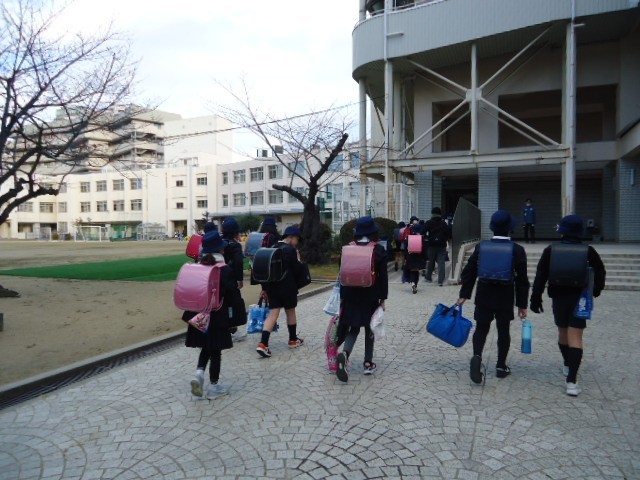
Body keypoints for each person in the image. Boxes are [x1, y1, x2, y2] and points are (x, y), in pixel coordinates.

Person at [529, 215, 606, 397]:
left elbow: (541, 275)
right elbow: (600, 271)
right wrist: (596, 290)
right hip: (580, 298)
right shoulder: (588, 250)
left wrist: (535, 298)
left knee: (563, 333)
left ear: (562, 231)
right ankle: (572, 380)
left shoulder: (551, 250)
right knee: (576, 336)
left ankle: (567, 363)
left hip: (558, 298)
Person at [458, 210, 529, 384]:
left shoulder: (481, 247)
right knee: (503, 330)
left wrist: (464, 294)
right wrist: (522, 304)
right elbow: (522, 280)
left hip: (484, 293)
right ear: (510, 228)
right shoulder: (517, 250)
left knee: (481, 328)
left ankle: (477, 357)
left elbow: (469, 271)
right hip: (505, 295)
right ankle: (501, 366)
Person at [183, 231, 243, 399]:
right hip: (217, 316)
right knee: (215, 350)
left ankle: (199, 373)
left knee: (206, 346)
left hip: (199, 315)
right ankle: (214, 386)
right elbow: (233, 295)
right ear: (221, 250)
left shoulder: (198, 267)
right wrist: (236, 316)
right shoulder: (224, 269)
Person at [336, 216, 388, 382]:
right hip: (370, 295)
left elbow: (342, 273)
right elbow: (383, 277)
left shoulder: (348, 249)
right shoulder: (378, 250)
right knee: (369, 328)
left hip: (350, 295)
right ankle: (367, 363)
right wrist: (383, 298)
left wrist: (342, 296)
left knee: (354, 328)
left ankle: (345, 354)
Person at [256, 226, 305, 357]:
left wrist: (264, 289)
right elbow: (297, 270)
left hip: (272, 287)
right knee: (290, 312)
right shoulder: (290, 250)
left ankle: (263, 344)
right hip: (288, 287)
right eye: (297, 239)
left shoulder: (272, 247)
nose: (297, 242)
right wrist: (298, 260)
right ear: (291, 237)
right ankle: (293, 340)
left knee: (273, 314)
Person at [221, 217, 246, 342]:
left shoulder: (219, 243)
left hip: (216, 279)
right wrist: (240, 279)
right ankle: (231, 330)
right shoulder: (235, 245)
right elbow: (238, 263)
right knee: (232, 304)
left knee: (221, 304)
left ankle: (222, 329)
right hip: (230, 280)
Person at [424, 207, 451, 286]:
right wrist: (445, 239)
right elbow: (449, 233)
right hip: (441, 245)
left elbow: (422, 232)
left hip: (431, 245)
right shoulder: (443, 223)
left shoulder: (428, 222)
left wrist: (427, 238)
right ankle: (440, 280)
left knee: (431, 261)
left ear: (432, 214)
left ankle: (428, 277)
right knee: (441, 262)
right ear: (440, 214)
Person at [404, 222, 427, 294]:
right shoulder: (421, 238)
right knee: (416, 271)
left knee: (412, 271)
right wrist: (425, 258)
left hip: (410, 257)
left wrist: (405, 257)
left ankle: (413, 283)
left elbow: (405, 249)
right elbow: (424, 249)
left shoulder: (409, 238)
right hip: (418, 257)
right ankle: (415, 284)